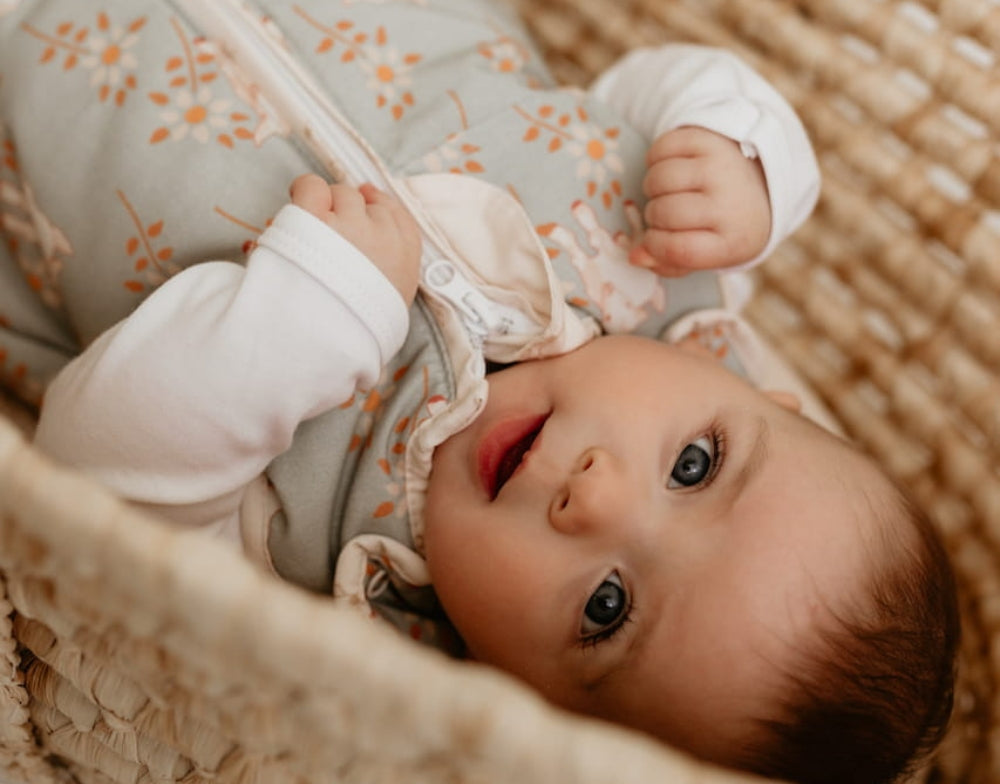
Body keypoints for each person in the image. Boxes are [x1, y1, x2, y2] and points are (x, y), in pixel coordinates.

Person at [32, 43, 959, 784]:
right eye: (694, 466)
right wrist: (742, 153)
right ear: (753, 389)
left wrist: (309, 319)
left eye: (607, 607)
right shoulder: (661, 261)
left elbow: (93, 476)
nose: (594, 498)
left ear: (521, 701)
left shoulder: (327, 558)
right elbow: (633, 92)